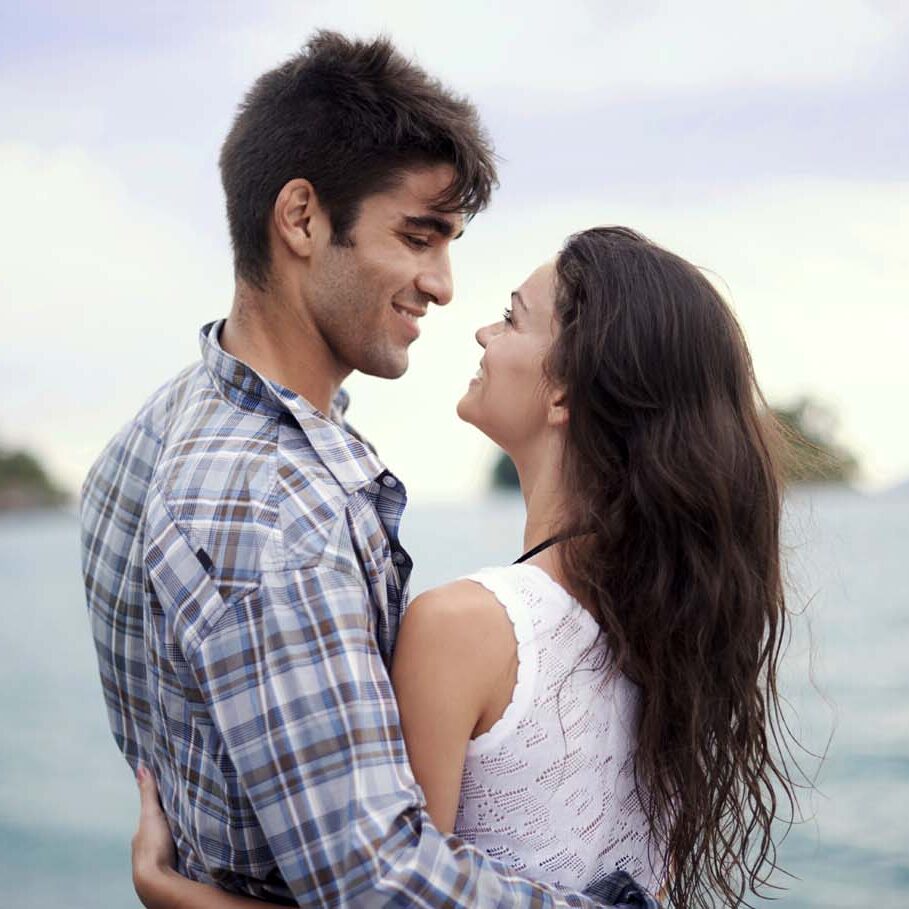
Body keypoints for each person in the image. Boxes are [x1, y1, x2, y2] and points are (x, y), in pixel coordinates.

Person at [80, 31, 658, 909]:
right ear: (302, 217)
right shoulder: (275, 508)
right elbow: (379, 882)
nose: (443, 284)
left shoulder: (156, 432)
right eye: (418, 236)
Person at [130, 227, 802, 909]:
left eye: (511, 317)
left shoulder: (465, 627)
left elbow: (379, 895)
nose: (482, 332)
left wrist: (173, 892)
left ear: (565, 391)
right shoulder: (675, 633)